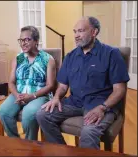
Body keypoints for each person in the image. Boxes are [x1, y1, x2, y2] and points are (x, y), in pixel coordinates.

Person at [36, 16, 130, 150]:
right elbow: (62, 86)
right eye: (74, 31)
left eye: (80, 31)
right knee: (42, 115)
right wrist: (56, 98)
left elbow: (120, 89)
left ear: (94, 32)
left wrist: (102, 107)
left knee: (88, 132)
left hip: (100, 104)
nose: (76, 35)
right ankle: (64, 152)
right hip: (74, 103)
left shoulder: (111, 54)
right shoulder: (70, 56)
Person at [0, 26, 56, 141]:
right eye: (21, 40)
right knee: (3, 112)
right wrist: (16, 95)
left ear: (36, 41)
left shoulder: (48, 59)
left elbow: (50, 85)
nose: (23, 43)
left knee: (28, 114)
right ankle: (17, 143)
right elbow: (11, 82)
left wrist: (33, 95)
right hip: (19, 94)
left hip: (40, 96)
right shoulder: (17, 59)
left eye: (27, 40)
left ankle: (30, 145)